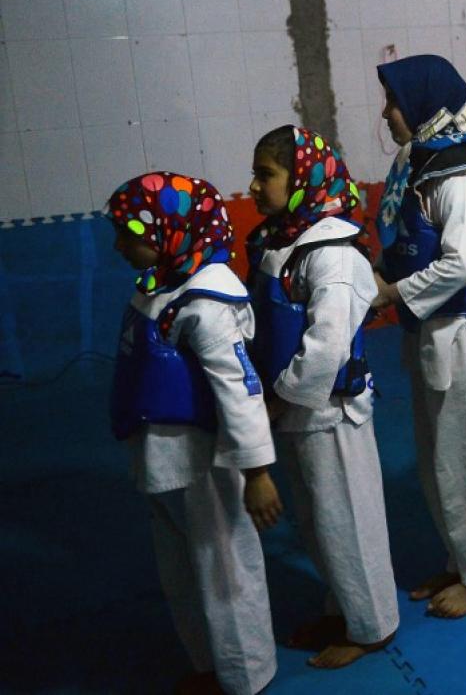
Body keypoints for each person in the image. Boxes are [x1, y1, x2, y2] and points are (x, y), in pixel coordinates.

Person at [106, 172, 277, 695]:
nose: (119, 246)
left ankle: (246, 676)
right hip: (161, 459)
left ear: (167, 230)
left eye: (128, 234)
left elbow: (239, 390)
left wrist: (257, 473)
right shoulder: (162, 284)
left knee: (224, 569)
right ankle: (209, 664)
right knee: (181, 570)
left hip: (204, 462)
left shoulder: (208, 301)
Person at [245, 125, 398, 668]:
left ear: (301, 179)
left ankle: (372, 626)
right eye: (256, 173)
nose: (255, 185)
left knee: (347, 524)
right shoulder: (280, 240)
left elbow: (327, 346)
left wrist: (277, 401)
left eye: (266, 174)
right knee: (316, 524)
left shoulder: (334, 253)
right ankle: (343, 609)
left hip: (330, 415)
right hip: (293, 411)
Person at [371, 54, 466, 618]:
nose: (387, 113)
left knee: (465, 468)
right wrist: (382, 275)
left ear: (424, 105)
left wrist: (391, 293)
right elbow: (406, 241)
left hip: (464, 341)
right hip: (431, 334)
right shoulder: (418, 165)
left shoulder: (456, 178)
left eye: (394, 102)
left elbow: (458, 265)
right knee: (437, 466)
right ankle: (460, 560)